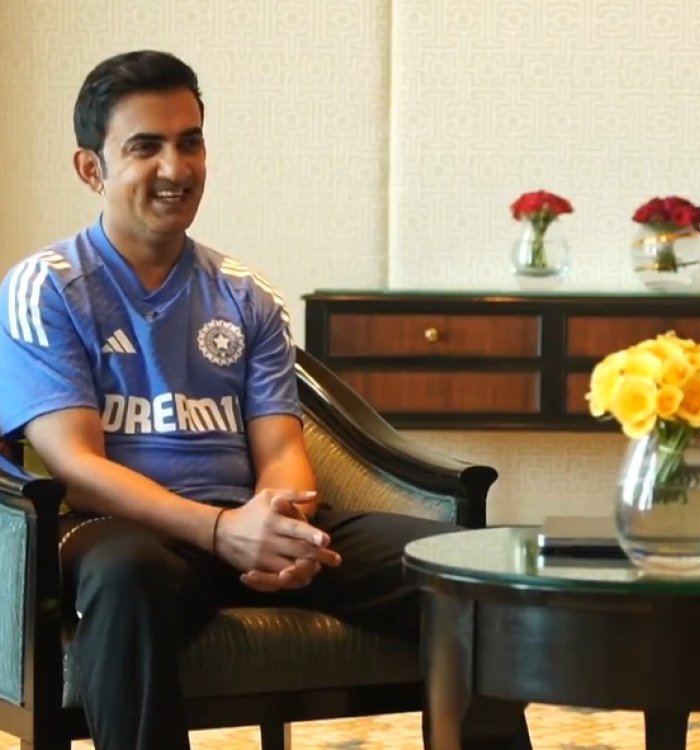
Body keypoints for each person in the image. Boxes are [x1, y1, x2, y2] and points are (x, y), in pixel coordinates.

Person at [0, 50, 460, 750]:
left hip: (244, 521)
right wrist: (218, 531)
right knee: (127, 577)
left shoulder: (246, 293)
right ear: (91, 169)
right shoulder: (48, 287)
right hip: (119, 529)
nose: (176, 168)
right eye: (146, 147)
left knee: (460, 569)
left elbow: (282, 450)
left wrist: (285, 529)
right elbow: (78, 469)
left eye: (190, 143)